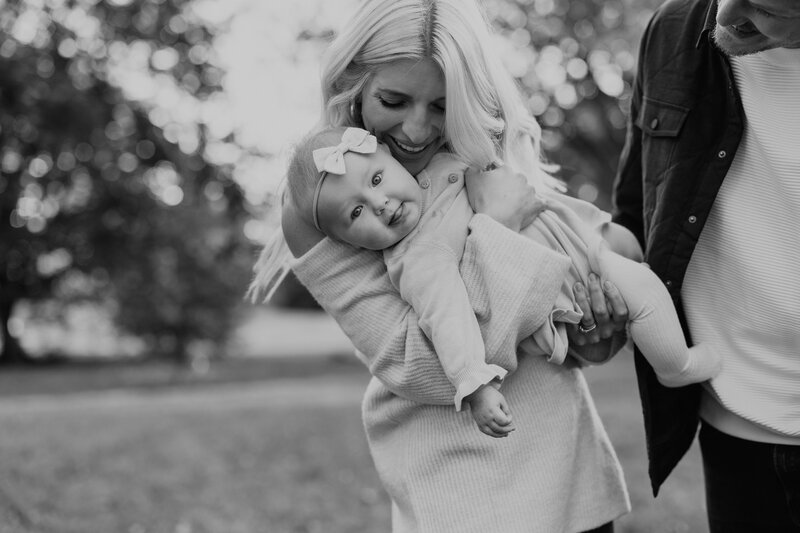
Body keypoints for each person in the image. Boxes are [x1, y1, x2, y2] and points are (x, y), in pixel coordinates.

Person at [255, 0, 633, 531]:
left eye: (442, 105)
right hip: (459, 488)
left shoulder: (480, 154)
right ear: (353, 85)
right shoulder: (323, 204)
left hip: (564, 466)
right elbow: (422, 367)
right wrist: (494, 232)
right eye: (393, 99)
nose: (416, 128)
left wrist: (594, 336)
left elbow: (558, 331)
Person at [282, 124, 721, 438]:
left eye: (377, 178)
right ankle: (676, 367)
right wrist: (475, 385)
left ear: (390, 159)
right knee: (643, 290)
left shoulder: (441, 165)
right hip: (561, 290)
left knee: (647, 251)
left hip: (578, 243)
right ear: (349, 245)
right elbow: (449, 321)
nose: (379, 203)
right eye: (355, 213)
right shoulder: (418, 258)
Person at [612, 0, 800, 531]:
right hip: (734, 428)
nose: (725, 15)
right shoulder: (673, 30)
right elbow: (635, 215)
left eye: (761, 6)